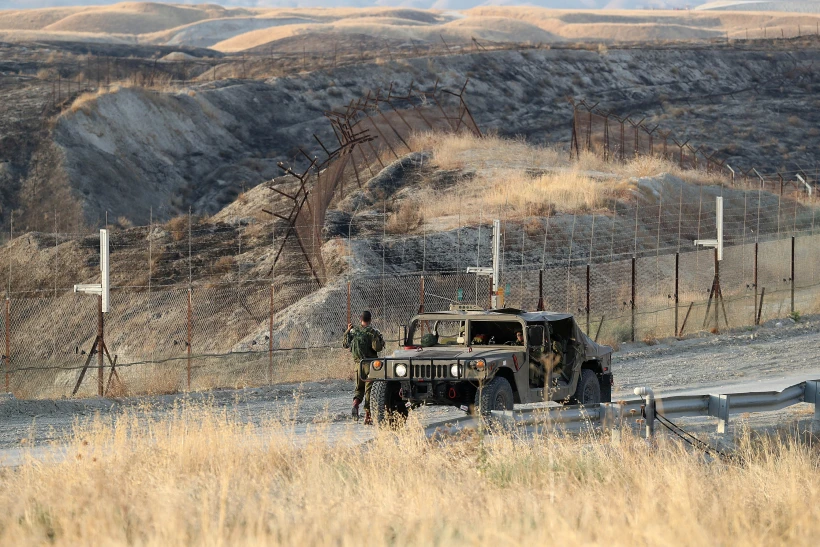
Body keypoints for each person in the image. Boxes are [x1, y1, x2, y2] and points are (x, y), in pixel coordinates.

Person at [342, 310, 385, 425]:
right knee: (369, 391)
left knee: (359, 389)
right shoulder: (372, 332)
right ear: (370, 320)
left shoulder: (353, 330)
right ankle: (367, 417)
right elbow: (377, 348)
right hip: (370, 366)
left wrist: (348, 330)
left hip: (357, 366)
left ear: (360, 319)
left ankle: (355, 405)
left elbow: (345, 344)